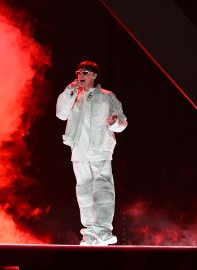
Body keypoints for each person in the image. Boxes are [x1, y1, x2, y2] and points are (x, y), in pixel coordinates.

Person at [56, 60, 128, 246]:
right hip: (79, 150)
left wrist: (114, 122)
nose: (81, 76)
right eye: (79, 72)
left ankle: (103, 231)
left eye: (85, 72)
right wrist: (70, 89)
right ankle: (89, 234)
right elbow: (61, 114)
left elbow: (122, 122)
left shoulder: (107, 96)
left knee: (103, 188)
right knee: (84, 191)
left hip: (100, 149)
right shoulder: (73, 95)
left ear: (94, 75)